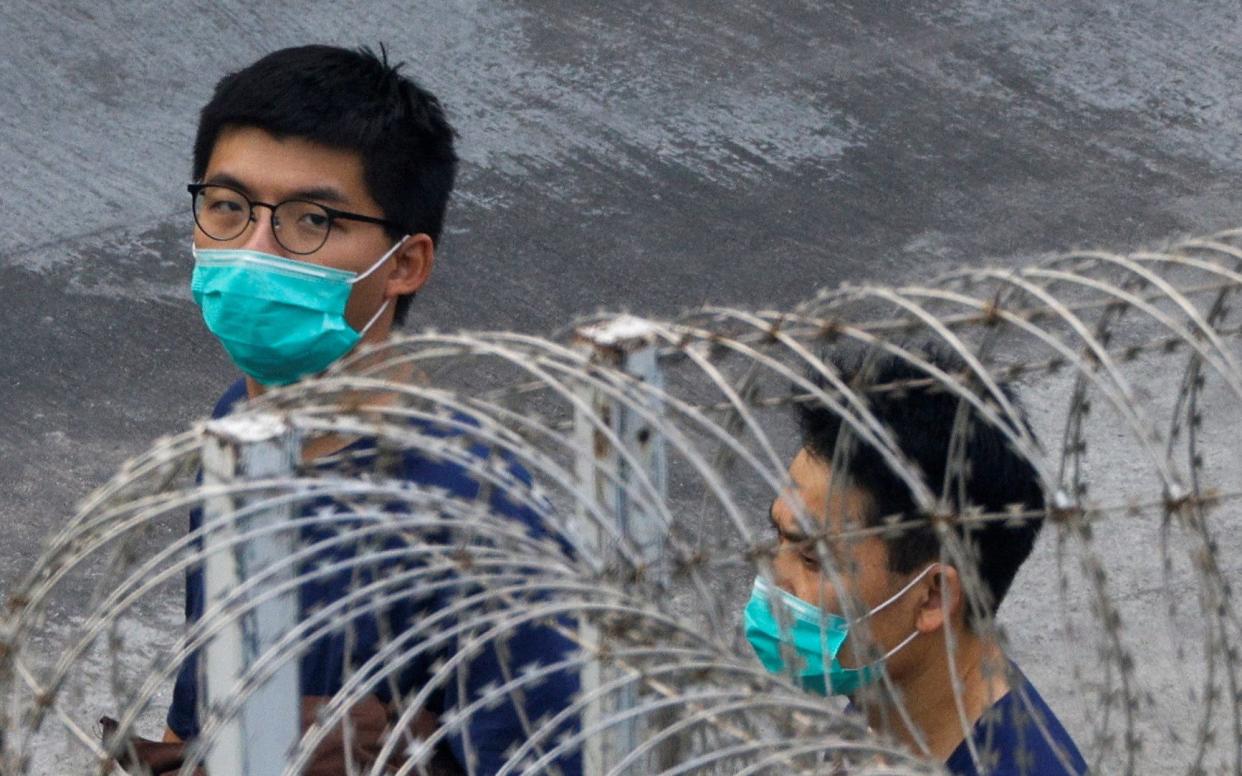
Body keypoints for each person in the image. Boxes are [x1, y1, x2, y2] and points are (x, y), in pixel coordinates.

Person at [130, 44, 579, 774]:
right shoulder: (239, 431)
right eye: (228, 207)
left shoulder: (473, 515)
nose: (254, 250)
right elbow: (204, 710)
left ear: (404, 263)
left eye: (311, 221)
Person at [744, 352, 1087, 775]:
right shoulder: (892, 710)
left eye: (812, 558)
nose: (775, 576)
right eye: (779, 536)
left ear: (932, 597)